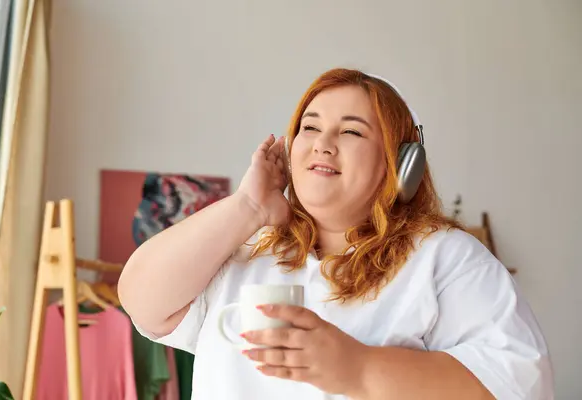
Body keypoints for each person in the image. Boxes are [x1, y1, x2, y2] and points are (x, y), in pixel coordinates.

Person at [118, 68, 554, 399]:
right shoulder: (245, 248)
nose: (323, 141)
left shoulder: (445, 258)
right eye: (309, 126)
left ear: (400, 165)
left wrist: (359, 368)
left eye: (350, 130)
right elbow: (145, 304)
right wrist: (247, 208)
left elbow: (518, 382)